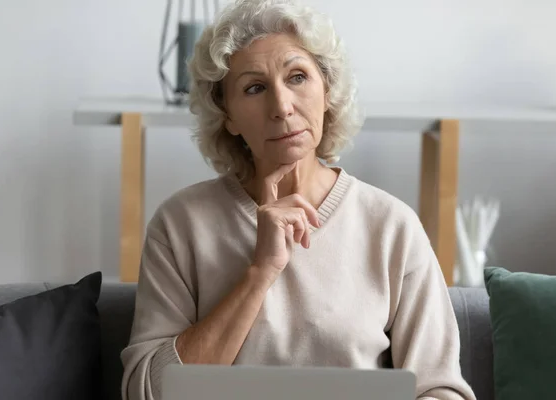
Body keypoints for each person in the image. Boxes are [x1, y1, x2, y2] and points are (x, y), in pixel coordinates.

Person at [120, 0, 476, 399]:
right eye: (254, 88)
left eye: (297, 77)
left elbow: (443, 391)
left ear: (328, 91)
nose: (282, 106)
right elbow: (146, 391)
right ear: (228, 117)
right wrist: (260, 273)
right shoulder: (180, 224)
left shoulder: (391, 225)